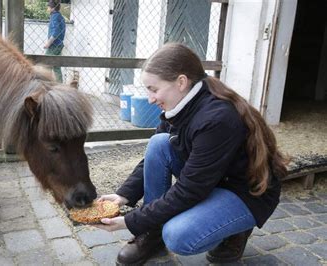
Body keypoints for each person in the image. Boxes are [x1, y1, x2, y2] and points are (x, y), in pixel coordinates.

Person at [94, 43, 287, 265]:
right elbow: (154, 158)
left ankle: (237, 229)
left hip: (245, 191)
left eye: (153, 89)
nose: (150, 98)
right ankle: (151, 235)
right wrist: (124, 196)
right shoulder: (179, 105)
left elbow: (190, 189)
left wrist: (131, 221)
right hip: (213, 179)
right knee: (158, 143)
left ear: (181, 82)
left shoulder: (216, 118)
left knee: (178, 236)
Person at [44, 0, 65, 82]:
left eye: (48, 7)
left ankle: (46, 83)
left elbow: (56, 32)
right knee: (56, 66)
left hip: (54, 45)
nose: (47, 8)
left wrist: (48, 43)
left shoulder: (55, 16)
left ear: (52, 8)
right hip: (59, 44)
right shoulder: (60, 16)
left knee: (46, 64)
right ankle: (60, 85)